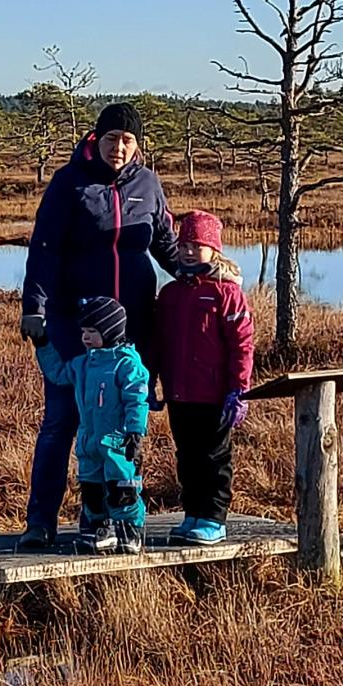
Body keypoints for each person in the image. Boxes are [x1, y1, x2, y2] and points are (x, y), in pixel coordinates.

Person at [17, 100, 182, 551]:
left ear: (138, 145)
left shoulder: (148, 185)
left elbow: (165, 242)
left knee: (125, 427)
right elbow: (45, 249)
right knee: (64, 420)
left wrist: (201, 270)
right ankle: (40, 523)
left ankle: (117, 522)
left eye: (128, 140)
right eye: (112, 139)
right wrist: (35, 307)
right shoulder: (69, 184)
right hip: (77, 327)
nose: (119, 148)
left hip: (132, 331)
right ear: (96, 139)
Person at [154, 210, 255, 545]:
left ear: (214, 250)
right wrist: (152, 380)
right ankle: (193, 513)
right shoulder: (169, 294)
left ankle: (213, 517)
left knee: (214, 455)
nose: (188, 251)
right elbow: (159, 341)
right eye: (184, 245)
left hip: (214, 393)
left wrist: (239, 389)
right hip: (179, 391)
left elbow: (242, 343)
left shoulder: (227, 293)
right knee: (187, 454)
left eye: (197, 245)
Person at [33, 295, 150, 554]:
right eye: (84, 331)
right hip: (89, 442)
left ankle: (130, 530)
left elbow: (137, 399)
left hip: (118, 441)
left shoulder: (127, 364)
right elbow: (57, 373)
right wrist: (43, 344)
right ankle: (101, 529)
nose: (85, 337)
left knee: (123, 488)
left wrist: (135, 432)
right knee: (92, 490)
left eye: (92, 332)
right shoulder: (82, 364)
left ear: (109, 331)